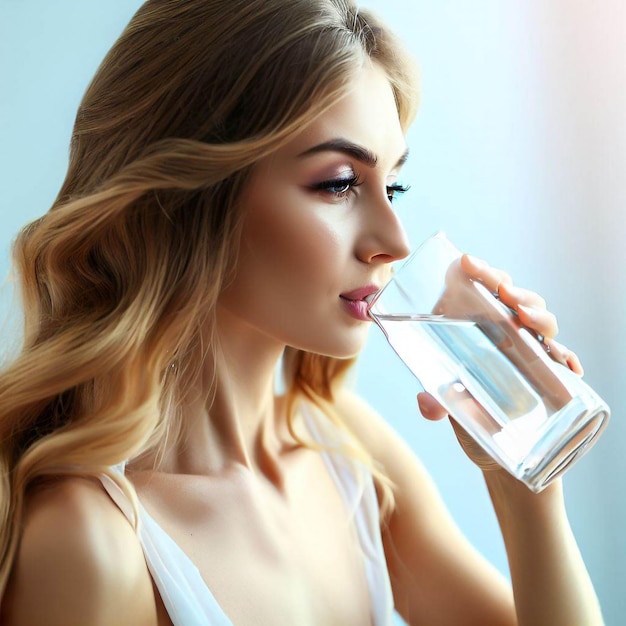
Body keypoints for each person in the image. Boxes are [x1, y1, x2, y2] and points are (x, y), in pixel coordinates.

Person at [0, 1, 604, 624]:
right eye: (340, 183)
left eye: (390, 186)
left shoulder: (351, 456)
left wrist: (525, 482)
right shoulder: (91, 544)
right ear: (189, 196)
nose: (394, 241)